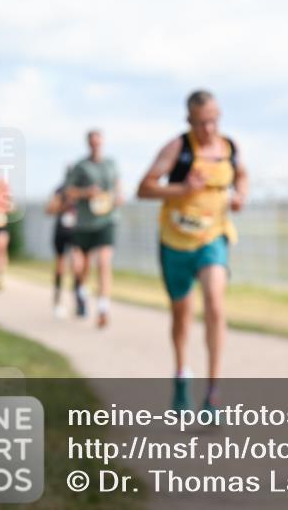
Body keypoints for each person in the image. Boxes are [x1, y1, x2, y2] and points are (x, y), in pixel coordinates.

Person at [137, 90, 248, 413]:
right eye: (201, 123)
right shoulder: (177, 148)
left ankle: (213, 391)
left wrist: (240, 194)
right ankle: (182, 376)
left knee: (215, 302)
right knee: (182, 316)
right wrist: (182, 189)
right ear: (189, 121)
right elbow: (144, 188)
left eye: (213, 120)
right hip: (175, 243)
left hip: (213, 237)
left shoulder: (230, 148)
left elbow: (242, 176)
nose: (209, 128)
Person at [65, 130, 123, 328]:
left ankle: (103, 308)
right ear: (88, 144)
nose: (95, 145)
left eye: (98, 142)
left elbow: (118, 187)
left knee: (104, 262)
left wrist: (118, 197)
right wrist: (85, 193)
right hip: (84, 223)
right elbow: (69, 192)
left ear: (103, 142)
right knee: (81, 268)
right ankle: (81, 291)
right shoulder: (81, 166)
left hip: (107, 220)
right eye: (92, 142)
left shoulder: (111, 164)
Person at [45, 166, 80, 318]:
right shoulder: (60, 190)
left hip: (77, 232)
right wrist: (63, 206)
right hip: (62, 231)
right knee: (61, 266)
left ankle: (79, 299)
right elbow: (49, 210)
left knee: (78, 266)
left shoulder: (82, 190)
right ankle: (58, 301)